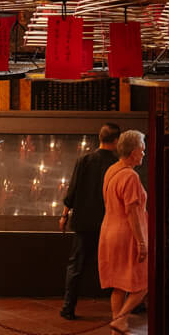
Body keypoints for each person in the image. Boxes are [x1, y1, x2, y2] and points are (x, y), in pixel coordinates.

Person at [58, 121, 121, 320]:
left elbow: (73, 189)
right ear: (117, 140)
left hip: (83, 222)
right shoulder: (117, 164)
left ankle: (68, 308)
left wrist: (64, 214)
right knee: (117, 265)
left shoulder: (84, 160)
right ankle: (123, 309)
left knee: (76, 266)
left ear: (100, 138)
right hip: (109, 222)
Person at [98, 130, 149, 335]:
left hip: (109, 230)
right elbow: (132, 212)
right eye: (142, 150)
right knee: (145, 282)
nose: (144, 154)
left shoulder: (112, 170)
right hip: (126, 234)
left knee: (119, 285)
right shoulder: (130, 176)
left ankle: (116, 332)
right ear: (134, 151)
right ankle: (120, 320)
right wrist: (141, 242)